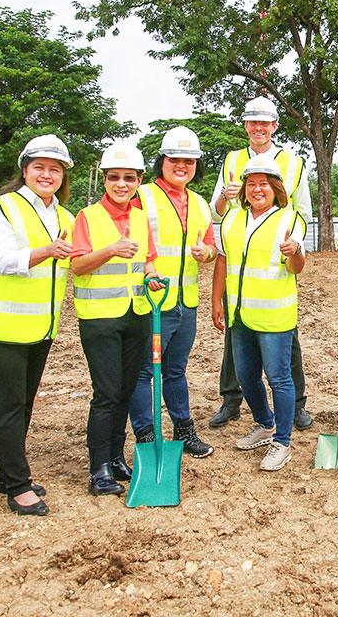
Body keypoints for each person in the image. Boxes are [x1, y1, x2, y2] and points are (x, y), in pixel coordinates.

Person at [0, 135, 75, 516]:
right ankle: (17, 486)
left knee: (23, 403)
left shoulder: (64, 215)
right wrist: (48, 251)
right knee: (10, 406)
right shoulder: (3, 208)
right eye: (39, 167)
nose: (47, 175)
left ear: (63, 176)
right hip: (2, 326)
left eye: (55, 169)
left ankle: (7, 473)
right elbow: (4, 260)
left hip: (39, 326)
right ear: (25, 170)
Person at [209, 96, 313, 430]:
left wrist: (293, 248)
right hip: (239, 259)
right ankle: (231, 400)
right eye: (252, 122)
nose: (258, 128)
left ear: (275, 127)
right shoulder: (232, 160)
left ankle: (295, 405)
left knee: (284, 337)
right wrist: (225, 198)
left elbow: (304, 213)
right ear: (245, 126)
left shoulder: (292, 162)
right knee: (236, 337)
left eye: (265, 122)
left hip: (276, 260)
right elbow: (216, 212)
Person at [69, 143, 162, 497]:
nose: (121, 184)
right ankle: (98, 468)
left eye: (128, 178)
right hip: (101, 319)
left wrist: (152, 275)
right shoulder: (87, 217)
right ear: (104, 180)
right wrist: (109, 250)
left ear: (139, 180)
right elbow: (77, 265)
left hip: (135, 314)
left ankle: (117, 457)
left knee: (124, 391)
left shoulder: (140, 217)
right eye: (113, 178)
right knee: (106, 394)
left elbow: (148, 259)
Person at [210, 154, 308, 472]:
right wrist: (216, 301)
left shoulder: (290, 220)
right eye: (251, 184)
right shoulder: (233, 219)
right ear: (243, 189)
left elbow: (297, 267)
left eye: (264, 183)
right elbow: (222, 261)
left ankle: (282, 442)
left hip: (274, 315)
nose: (257, 189)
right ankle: (264, 424)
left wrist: (294, 253)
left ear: (276, 187)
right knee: (246, 375)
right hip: (239, 314)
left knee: (279, 377)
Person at [130, 126, 217, 459]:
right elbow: (134, 241)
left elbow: (210, 247)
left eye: (190, 160)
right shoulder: (143, 195)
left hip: (186, 303)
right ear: (162, 161)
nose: (182, 165)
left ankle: (184, 430)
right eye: (175, 159)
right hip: (151, 301)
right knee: (142, 372)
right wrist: (149, 268)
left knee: (176, 370)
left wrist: (205, 254)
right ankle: (146, 436)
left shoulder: (198, 202)